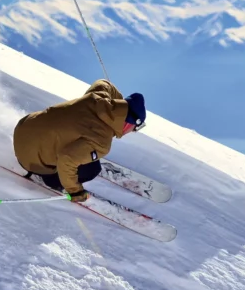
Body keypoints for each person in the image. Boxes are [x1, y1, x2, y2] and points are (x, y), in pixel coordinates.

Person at [13, 79, 146, 202]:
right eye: (136, 128)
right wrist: (75, 191)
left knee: (72, 140)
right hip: (29, 160)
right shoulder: (102, 142)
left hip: (22, 128)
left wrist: (118, 105)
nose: (133, 131)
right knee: (92, 169)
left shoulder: (98, 96)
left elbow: (104, 83)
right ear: (131, 123)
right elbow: (66, 159)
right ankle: (49, 179)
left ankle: (62, 158)